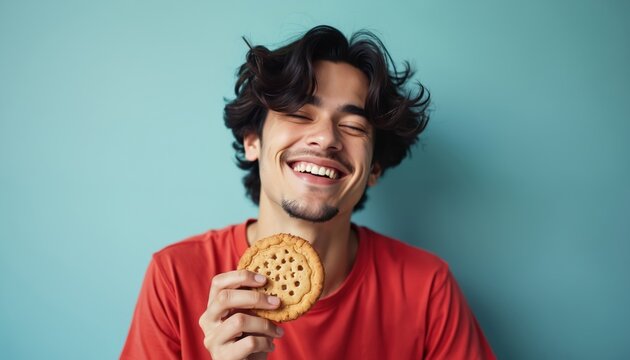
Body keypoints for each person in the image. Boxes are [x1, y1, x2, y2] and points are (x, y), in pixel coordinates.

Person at [121, 25, 496, 359]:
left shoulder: (426, 287)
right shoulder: (175, 276)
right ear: (252, 140)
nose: (326, 139)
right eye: (300, 114)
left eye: (352, 126)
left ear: (374, 169)